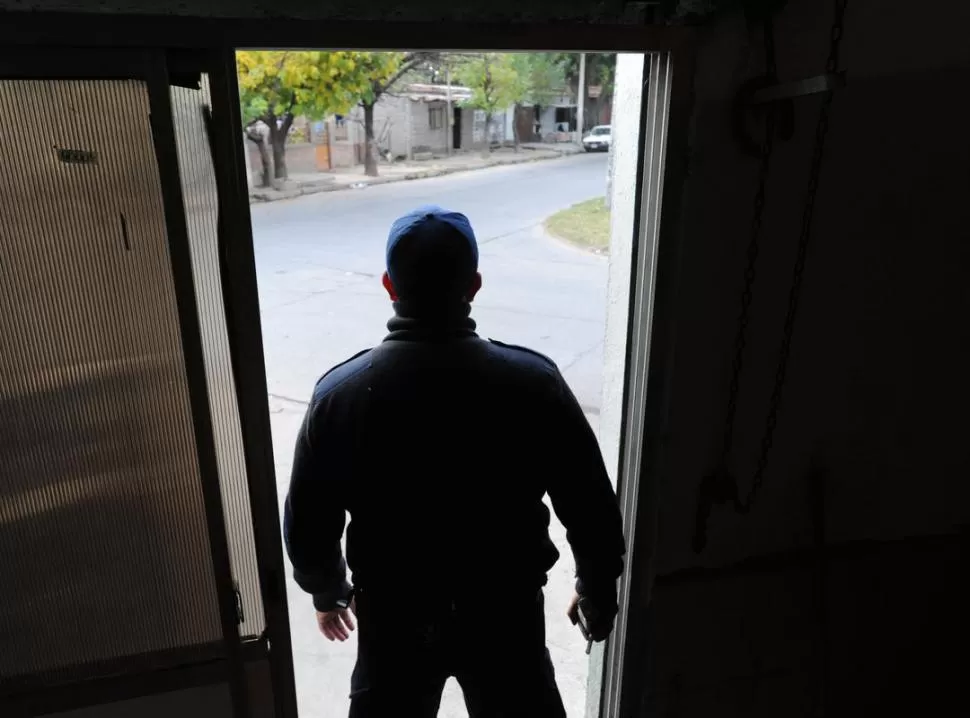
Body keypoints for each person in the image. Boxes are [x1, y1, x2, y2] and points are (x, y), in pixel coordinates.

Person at [284, 205, 626, 717]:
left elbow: (310, 522)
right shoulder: (533, 383)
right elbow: (590, 505)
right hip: (505, 616)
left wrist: (328, 591)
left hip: (394, 621)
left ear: (388, 285)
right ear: (475, 284)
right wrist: (596, 586)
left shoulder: (341, 395)